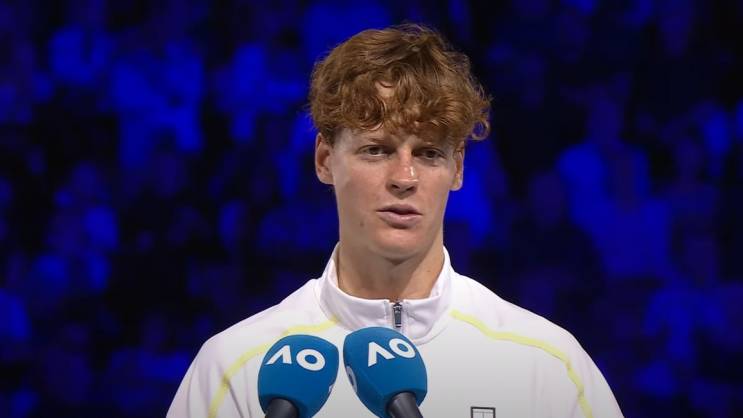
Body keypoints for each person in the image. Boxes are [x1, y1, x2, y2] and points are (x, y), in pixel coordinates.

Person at [168, 24, 623, 418]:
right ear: (325, 160)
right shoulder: (237, 367)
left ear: (457, 169)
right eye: (377, 150)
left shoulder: (545, 365)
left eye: (428, 154)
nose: (404, 178)